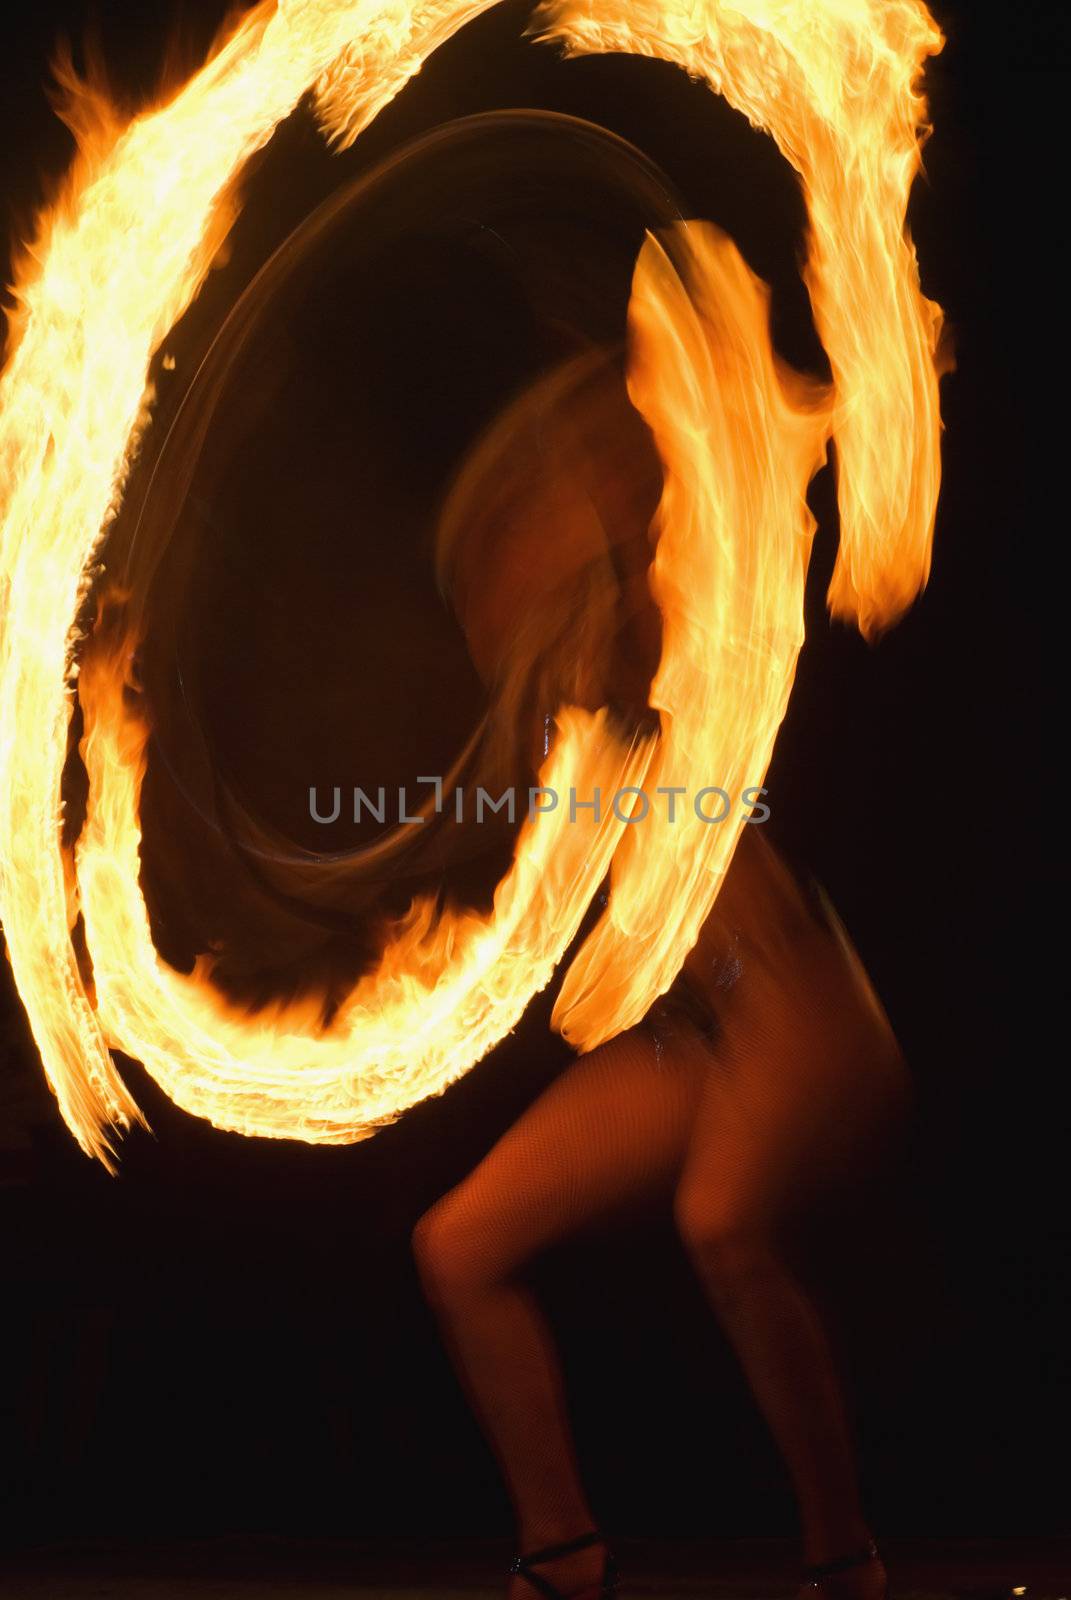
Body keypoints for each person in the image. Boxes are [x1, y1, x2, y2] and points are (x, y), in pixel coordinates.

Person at [413, 350, 909, 1600]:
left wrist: (624, 434)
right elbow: (564, 901)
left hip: (799, 1005)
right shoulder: (549, 701)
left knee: (721, 1218)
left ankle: (844, 1558)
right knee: (457, 1243)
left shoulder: (661, 622)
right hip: (698, 1039)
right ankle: (563, 1548)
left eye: (528, 521)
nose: (499, 565)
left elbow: (692, 513)